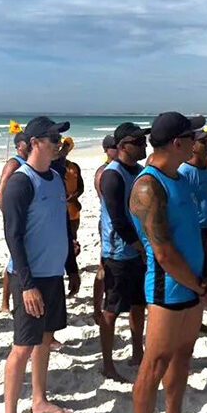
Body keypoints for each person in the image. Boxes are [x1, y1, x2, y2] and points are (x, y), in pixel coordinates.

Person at [129, 111, 207, 413]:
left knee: (183, 355)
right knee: (154, 365)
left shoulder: (178, 178)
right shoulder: (149, 186)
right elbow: (163, 252)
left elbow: (196, 233)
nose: (198, 141)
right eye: (192, 136)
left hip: (194, 283)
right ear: (177, 143)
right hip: (168, 288)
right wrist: (198, 285)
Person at [1, 116, 81, 413]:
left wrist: (72, 267)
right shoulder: (21, 182)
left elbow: (62, 225)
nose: (57, 142)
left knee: (45, 340)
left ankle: (38, 399)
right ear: (35, 143)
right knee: (22, 347)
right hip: (30, 278)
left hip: (53, 275)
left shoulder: (56, 178)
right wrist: (27, 283)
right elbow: (13, 237)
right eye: (51, 138)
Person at [97, 122, 150, 381]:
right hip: (118, 252)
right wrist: (139, 245)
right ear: (121, 146)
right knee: (112, 309)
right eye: (138, 142)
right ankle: (107, 363)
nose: (144, 145)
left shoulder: (140, 171)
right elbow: (117, 218)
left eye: (144, 141)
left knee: (140, 304)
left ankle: (138, 351)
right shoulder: (112, 175)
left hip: (139, 251)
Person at [178, 129, 207, 333]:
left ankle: (197, 318)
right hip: (196, 229)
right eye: (203, 141)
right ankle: (193, 320)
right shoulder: (184, 172)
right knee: (197, 276)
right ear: (193, 145)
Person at [0, 132, 29, 315]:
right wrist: (11, 218)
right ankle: (5, 302)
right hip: (16, 222)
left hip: (27, 221)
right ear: (19, 145)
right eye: (27, 142)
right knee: (13, 264)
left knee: (16, 262)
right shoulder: (14, 163)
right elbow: (1, 193)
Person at [92, 135, 119, 323]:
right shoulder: (104, 171)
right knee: (103, 266)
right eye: (114, 147)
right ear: (107, 150)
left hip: (114, 223)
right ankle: (96, 307)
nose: (117, 150)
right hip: (108, 224)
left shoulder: (118, 169)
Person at [59, 137, 85, 239]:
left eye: (66, 147)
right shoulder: (49, 167)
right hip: (57, 214)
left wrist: (74, 197)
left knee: (73, 240)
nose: (63, 150)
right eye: (62, 147)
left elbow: (81, 187)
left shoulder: (74, 166)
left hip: (73, 212)